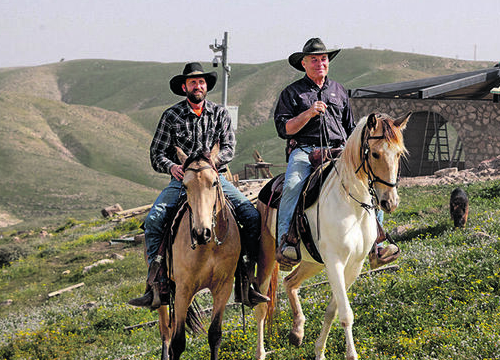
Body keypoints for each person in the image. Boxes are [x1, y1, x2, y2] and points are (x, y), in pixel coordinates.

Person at [130, 62, 270, 309]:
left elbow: (229, 147)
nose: (198, 86)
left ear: (206, 87)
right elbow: (157, 154)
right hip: (182, 181)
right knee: (154, 220)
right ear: (184, 87)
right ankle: (157, 282)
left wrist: (213, 162)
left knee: (250, 216)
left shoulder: (219, 114)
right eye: (193, 82)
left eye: (201, 82)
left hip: (216, 179)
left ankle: (246, 279)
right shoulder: (171, 116)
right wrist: (172, 167)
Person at [272, 38, 400, 267]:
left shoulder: (339, 90)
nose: (320, 63)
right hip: (304, 150)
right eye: (314, 60)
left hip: (339, 149)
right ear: (303, 64)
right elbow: (284, 129)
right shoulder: (292, 93)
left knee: (370, 181)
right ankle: (286, 242)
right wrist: (309, 113)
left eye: (323, 59)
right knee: (292, 185)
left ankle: (377, 243)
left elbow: (351, 128)